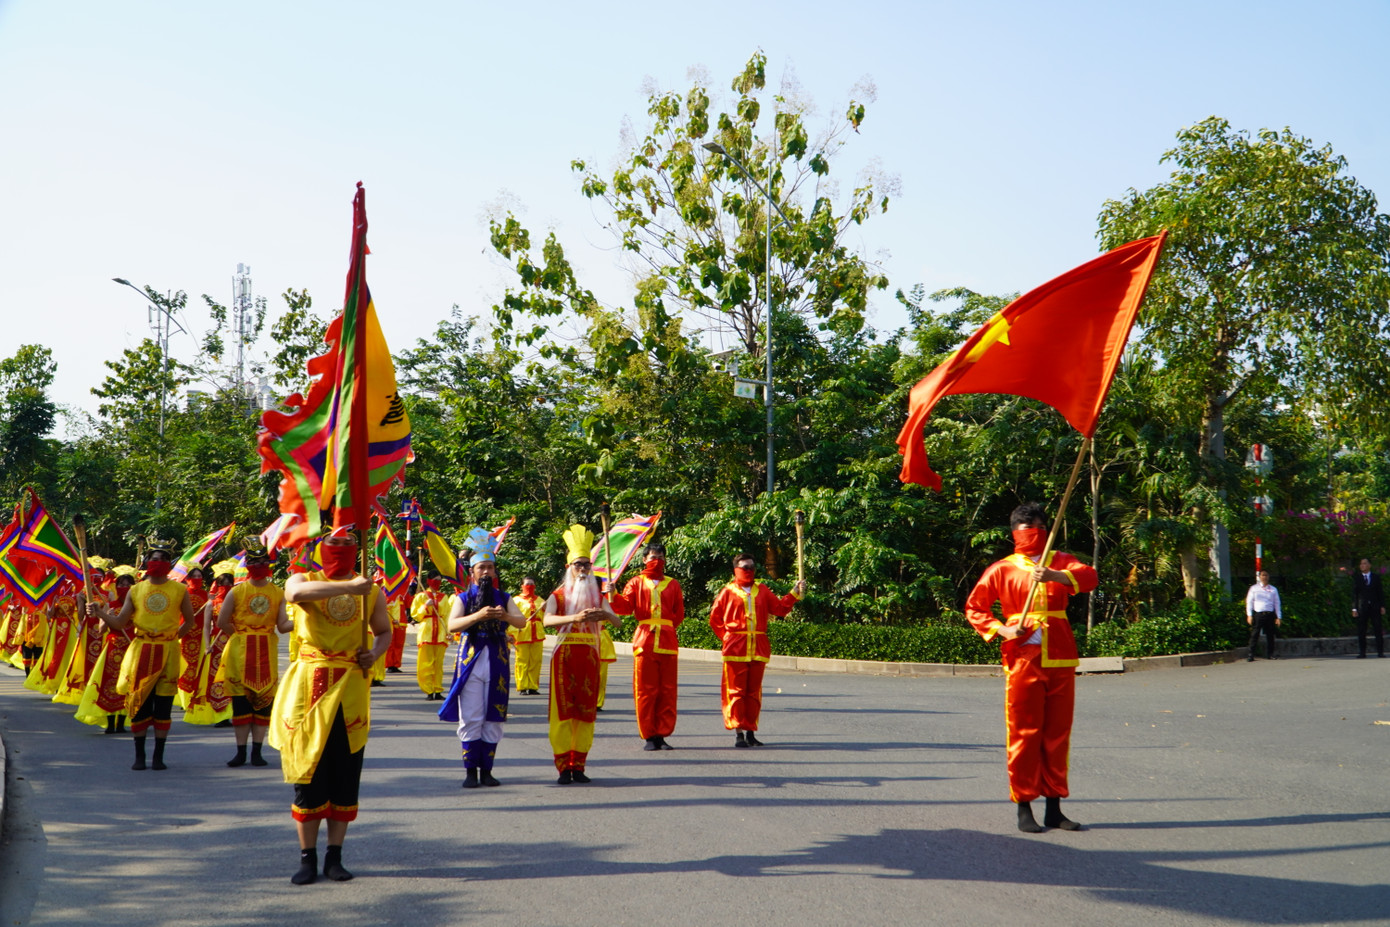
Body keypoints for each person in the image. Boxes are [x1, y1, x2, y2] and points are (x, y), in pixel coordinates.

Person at [964, 503, 1097, 834]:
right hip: (1022, 657)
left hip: (1061, 655)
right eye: (1025, 528)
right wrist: (1005, 630)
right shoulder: (1002, 569)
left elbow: (1090, 577)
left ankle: (1054, 807)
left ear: (1047, 529)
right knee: (1023, 732)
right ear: (1014, 532)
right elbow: (975, 607)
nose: (1031, 533)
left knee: (1057, 734)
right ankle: (1024, 805)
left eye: (1037, 526)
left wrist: (1056, 577)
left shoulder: (1062, 561)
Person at [270, 528, 390, 885]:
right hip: (310, 685)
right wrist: (348, 588)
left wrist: (375, 652)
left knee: (345, 775)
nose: (340, 549)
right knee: (307, 774)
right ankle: (307, 858)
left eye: (348, 543)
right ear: (321, 547)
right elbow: (295, 593)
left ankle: (334, 857)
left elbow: (383, 631)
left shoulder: (371, 590)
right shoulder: (304, 577)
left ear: (357, 547)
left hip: (351, 688)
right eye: (333, 543)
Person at [88, 538, 201, 771]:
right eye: (154, 558)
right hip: (141, 651)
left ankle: (159, 757)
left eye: (162, 559)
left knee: (163, 707)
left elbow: (189, 621)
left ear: (169, 563)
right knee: (139, 705)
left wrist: (172, 638)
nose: (157, 562)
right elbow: (119, 622)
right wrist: (99, 613)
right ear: (148, 561)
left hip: (168, 652)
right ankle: (139, 756)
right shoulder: (135, 590)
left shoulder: (180, 590)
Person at [440, 528, 527, 788]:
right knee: (472, 715)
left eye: (490, 567)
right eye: (482, 568)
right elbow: (453, 625)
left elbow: (521, 622)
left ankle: (487, 770)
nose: (487, 572)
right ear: (473, 572)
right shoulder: (463, 597)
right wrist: (478, 616)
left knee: (494, 715)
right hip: (471, 659)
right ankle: (470, 771)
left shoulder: (504, 597)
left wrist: (504, 617)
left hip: (497, 660)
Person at [543, 524, 620, 784]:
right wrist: (575, 617)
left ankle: (580, 764)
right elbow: (546, 620)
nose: (583, 569)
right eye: (578, 564)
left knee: (586, 712)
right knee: (564, 712)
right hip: (564, 656)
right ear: (569, 567)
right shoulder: (558, 595)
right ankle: (564, 766)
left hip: (589, 656)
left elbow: (618, 622)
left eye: (587, 565)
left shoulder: (598, 596)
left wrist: (605, 614)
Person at [708, 552, 804, 748]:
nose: (749, 571)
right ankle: (738, 733)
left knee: (753, 692)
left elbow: (778, 608)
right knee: (736, 691)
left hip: (758, 646)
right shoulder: (727, 592)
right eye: (745, 567)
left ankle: (751, 731)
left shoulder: (762, 590)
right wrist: (726, 637)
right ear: (736, 570)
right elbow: (715, 618)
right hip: (736, 647)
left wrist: (793, 594)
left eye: (752, 567)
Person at [216, 538, 293, 767]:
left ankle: (257, 752)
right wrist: (242, 635)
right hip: (240, 652)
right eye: (253, 561)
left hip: (266, 652)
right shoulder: (236, 592)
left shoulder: (278, 592)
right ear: (247, 564)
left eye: (262, 561)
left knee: (263, 703)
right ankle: (240, 751)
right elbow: (222, 621)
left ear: (268, 564)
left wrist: (302, 617)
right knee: (241, 704)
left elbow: (282, 625)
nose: (258, 565)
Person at [608, 542, 685, 750]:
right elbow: (624, 608)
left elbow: (679, 613)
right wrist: (613, 594)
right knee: (645, 690)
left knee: (667, 691)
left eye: (660, 556)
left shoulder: (673, 584)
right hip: (645, 641)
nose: (656, 560)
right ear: (644, 560)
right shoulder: (635, 582)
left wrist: (666, 627)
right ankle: (649, 736)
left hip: (667, 640)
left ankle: (662, 734)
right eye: (652, 557)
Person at [74, 569, 137, 733]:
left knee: (128, 683)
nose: (124, 587)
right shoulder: (111, 605)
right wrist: (106, 616)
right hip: (113, 648)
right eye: (121, 584)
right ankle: (110, 723)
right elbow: (101, 630)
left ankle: (122, 722)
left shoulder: (138, 606)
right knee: (110, 683)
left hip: (131, 647)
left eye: (128, 584)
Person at [411, 571, 450, 700]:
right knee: (425, 663)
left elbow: (448, 616)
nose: (437, 582)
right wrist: (425, 606)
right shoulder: (421, 596)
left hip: (440, 631)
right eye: (435, 579)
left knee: (438, 664)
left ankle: (437, 689)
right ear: (429, 580)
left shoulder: (444, 597)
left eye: (439, 580)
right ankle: (428, 690)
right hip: (426, 631)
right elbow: (415, 615)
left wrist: (450, 632)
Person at [509, 576, 545, 695]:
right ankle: (523, 686)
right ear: (522, 586)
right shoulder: (516, 600)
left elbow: (546, 617)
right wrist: (513, 631)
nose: (530, 587)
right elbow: (512, 617)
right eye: (527, 584)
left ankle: (533, 686)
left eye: (532, 584)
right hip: (522, 632)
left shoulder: (540, 600)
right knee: (522, 660)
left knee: (536, 660)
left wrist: (545, 609)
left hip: (537, 633)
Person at [1351, 558, 1384, 659]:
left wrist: (1382, 606)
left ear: (1369, 565)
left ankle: (1380, 652)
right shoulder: (1357, 578)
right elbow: (1354, 594)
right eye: (1361, 564)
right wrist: (1354, 609)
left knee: (1378, 629)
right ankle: (1362, 653)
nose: (1362, 565)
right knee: (1361, 631)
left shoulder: (1376, 577)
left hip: (1374, 607)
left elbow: (1380, 593)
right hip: (1362, 607)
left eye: (1364, 563)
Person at [1245, 570, 1282, 661]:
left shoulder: (1273, 589)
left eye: (1266, 575)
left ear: (1268, 577)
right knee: (1255, 635)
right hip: (1259, 614)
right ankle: (1251, 655)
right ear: (1259, 577)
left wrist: (1278, 617)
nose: (1264, 577)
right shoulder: (1254, 589)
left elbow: (1277, 603)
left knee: (1270, 635)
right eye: (1262, 575)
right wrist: (1249, 615)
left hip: (1270, 614)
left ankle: (1270, 654)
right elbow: (1249, 602)